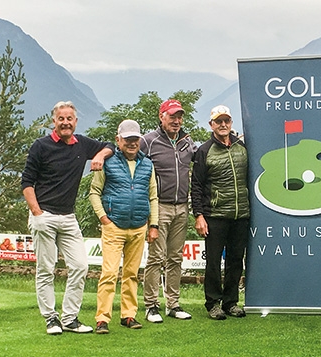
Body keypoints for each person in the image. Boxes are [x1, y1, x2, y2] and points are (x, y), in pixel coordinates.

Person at [22, 101, 112, 336]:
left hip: (68, 217)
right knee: (46, 269)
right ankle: (51, 318)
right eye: (61, 119)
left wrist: (99, 156)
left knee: (80, 266)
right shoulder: (41, 146)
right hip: (44, 215)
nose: (65, 123)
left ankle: (70, 318)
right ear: (54, 121)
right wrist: (37, 213)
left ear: (75, 121)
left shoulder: (81, 144)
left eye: (69, 119)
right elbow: (27, 182)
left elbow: (110, 145)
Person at [89, 119, 159, 334]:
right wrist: (104, 218)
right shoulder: (107, 162)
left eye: (135, 139)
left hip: (138, 226)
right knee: (109, 274)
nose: (132, 143)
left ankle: (128, 315)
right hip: (114, 226)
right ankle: (102, 318)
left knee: (131, 274)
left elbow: (153, 196)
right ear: (118, 140)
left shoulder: (147, 164)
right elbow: (94, 192)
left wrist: (153, 225)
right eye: (127, 139)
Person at [140, 99, 198, 323]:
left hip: (182, 206)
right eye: (172, 116)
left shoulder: (186, 141)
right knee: (156, 258)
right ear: (161, 116)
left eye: (179, 116)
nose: (176, 120)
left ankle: (172, 304)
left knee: (175, 257)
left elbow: (201, 158)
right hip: (159, 206)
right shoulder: (149, 141)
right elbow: (128, 158)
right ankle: (151, 305)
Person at [191, 105, 249, 320]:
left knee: (236, 260)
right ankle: (213, 303)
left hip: (241, 214)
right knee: (214, 262)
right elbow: (196, 185)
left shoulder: (242, 147)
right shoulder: (204, 150)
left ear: (231, 123)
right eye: (218, 121)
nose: (223, 125)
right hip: (214, 215)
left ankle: (231, 302)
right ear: (211, 124)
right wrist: (199, 215)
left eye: (226, 121)